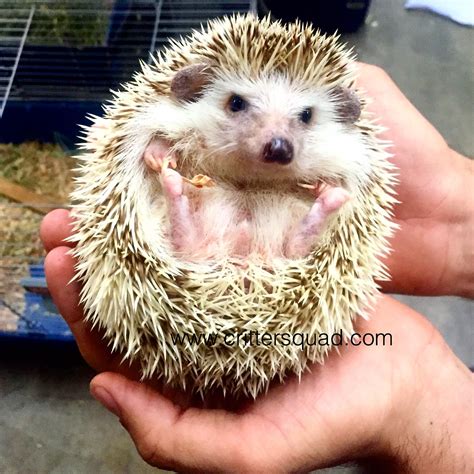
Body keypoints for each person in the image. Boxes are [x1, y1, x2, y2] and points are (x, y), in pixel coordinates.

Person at [40, 64, 473, 472]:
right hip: (207, 248)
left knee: (296, 221)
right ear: (193, 89)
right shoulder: (167, 126)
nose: (277, 141)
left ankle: (197, 203)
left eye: (303, 117)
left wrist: (418, 400)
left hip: (264, 247)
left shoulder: (340, 162)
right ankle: (191, 205)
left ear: (339, 114)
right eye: (237, 105)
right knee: (193, 207)